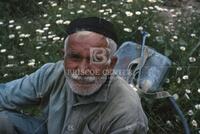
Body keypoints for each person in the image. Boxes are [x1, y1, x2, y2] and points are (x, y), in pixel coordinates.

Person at [0, 17, 148, 134]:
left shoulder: (127, 113)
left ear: (110, 65)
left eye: (95, 59)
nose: (83, 70)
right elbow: (4, 96)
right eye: (75, 57)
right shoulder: (51, 73)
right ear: (63, 57)